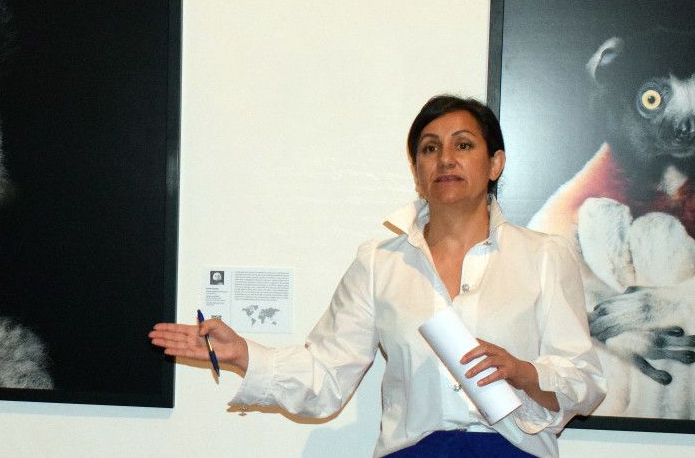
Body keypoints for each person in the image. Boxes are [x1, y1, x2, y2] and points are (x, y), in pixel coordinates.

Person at [150, 95, 606, 457]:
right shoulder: (379, 262)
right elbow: (326, 376)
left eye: (463, 145)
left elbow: (584, 382)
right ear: (417, 171)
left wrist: (524, 372)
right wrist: (243, 354)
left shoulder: (546, 256)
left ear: (495, 164)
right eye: (430, 148)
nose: (446, 158)